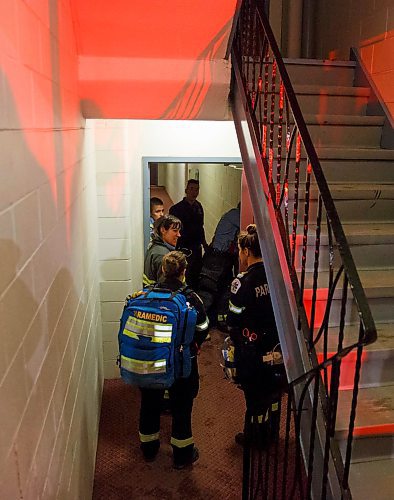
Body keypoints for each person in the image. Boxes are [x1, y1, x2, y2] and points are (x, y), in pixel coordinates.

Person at [139, 251, 210, 468]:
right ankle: (182, 455)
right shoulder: (191, 298)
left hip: (152, 361)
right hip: (181, 363)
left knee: (149, 404)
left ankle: (149, 449)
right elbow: (203, 328)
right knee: (182, 408)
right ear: (184, 272)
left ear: (162, 270)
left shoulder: (146, 295)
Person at [226, 224, 283, 449]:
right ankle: (271, 434)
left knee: (254, 398)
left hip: (252, 348)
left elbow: (233, 319)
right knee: (274, 393)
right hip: (276, 343)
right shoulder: (276, 275)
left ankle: (254, 438)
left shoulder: (242, 282)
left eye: (241, 251)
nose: (240, 255)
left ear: (247, 252)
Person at [197, 204, 240, 326]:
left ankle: (219, 321)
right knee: (208, 290)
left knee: (225, 289)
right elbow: (249, 228)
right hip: (217, 258)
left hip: (223, 258)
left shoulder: (232, 216)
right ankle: (199, 326)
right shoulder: (235, 215)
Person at [169, 179, 208, 289]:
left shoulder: (199, 207)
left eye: (196, 189)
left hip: (196, 248)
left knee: (196, 274)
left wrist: (205, 244)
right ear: (186, 190)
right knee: (183, 275)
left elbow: (201, 227)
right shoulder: (176, 209)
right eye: (191, 189)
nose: (194, 192)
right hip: (183, 248)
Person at [143, 214, 182, 286]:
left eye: (179, 231)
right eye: (175, 231)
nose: (179, 235)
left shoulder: (155, 247)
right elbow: (166, 287)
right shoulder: (162, 255)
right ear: (163, 230)